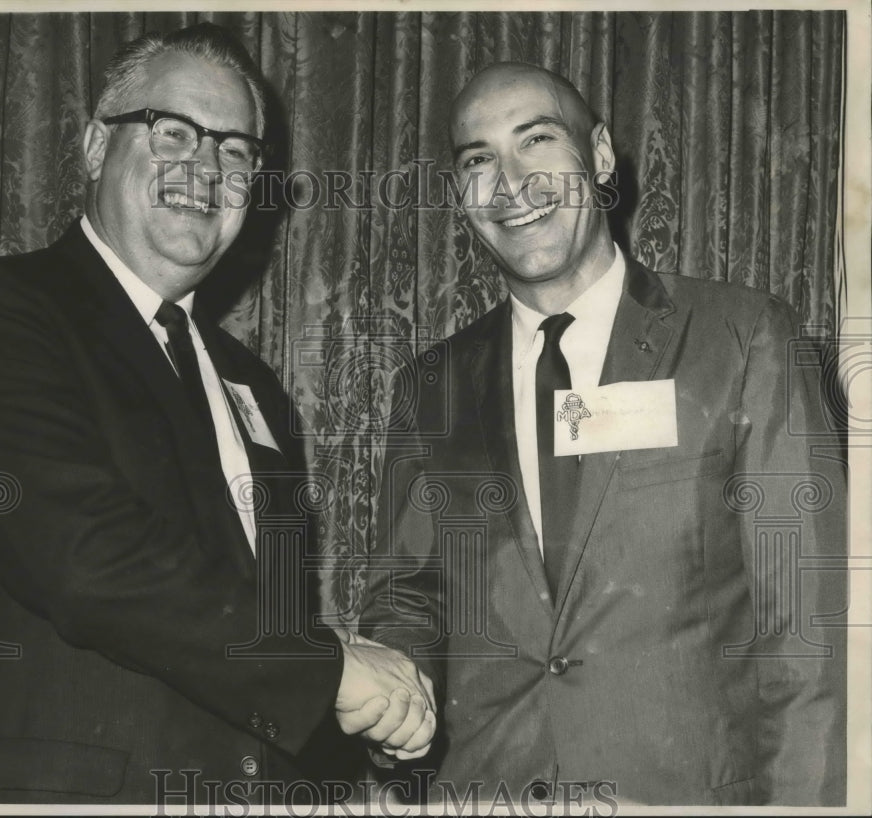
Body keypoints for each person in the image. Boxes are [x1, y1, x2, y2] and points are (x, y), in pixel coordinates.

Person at [0, 22, 434, 805]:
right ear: (92, 147)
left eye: (236, 149)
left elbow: (253, 633)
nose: (205, 167)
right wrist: (332, 673)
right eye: (173, 131)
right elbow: (80, 553)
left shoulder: (254, 387)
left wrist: (361, 722)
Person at [359, 62, 847, 807]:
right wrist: (401, 692)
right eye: (478, 160)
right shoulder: (430, 386)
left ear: (603, 156)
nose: (510, 181)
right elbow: (407, 598)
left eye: (537, 141)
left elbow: (810, 627)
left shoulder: (744, 337)